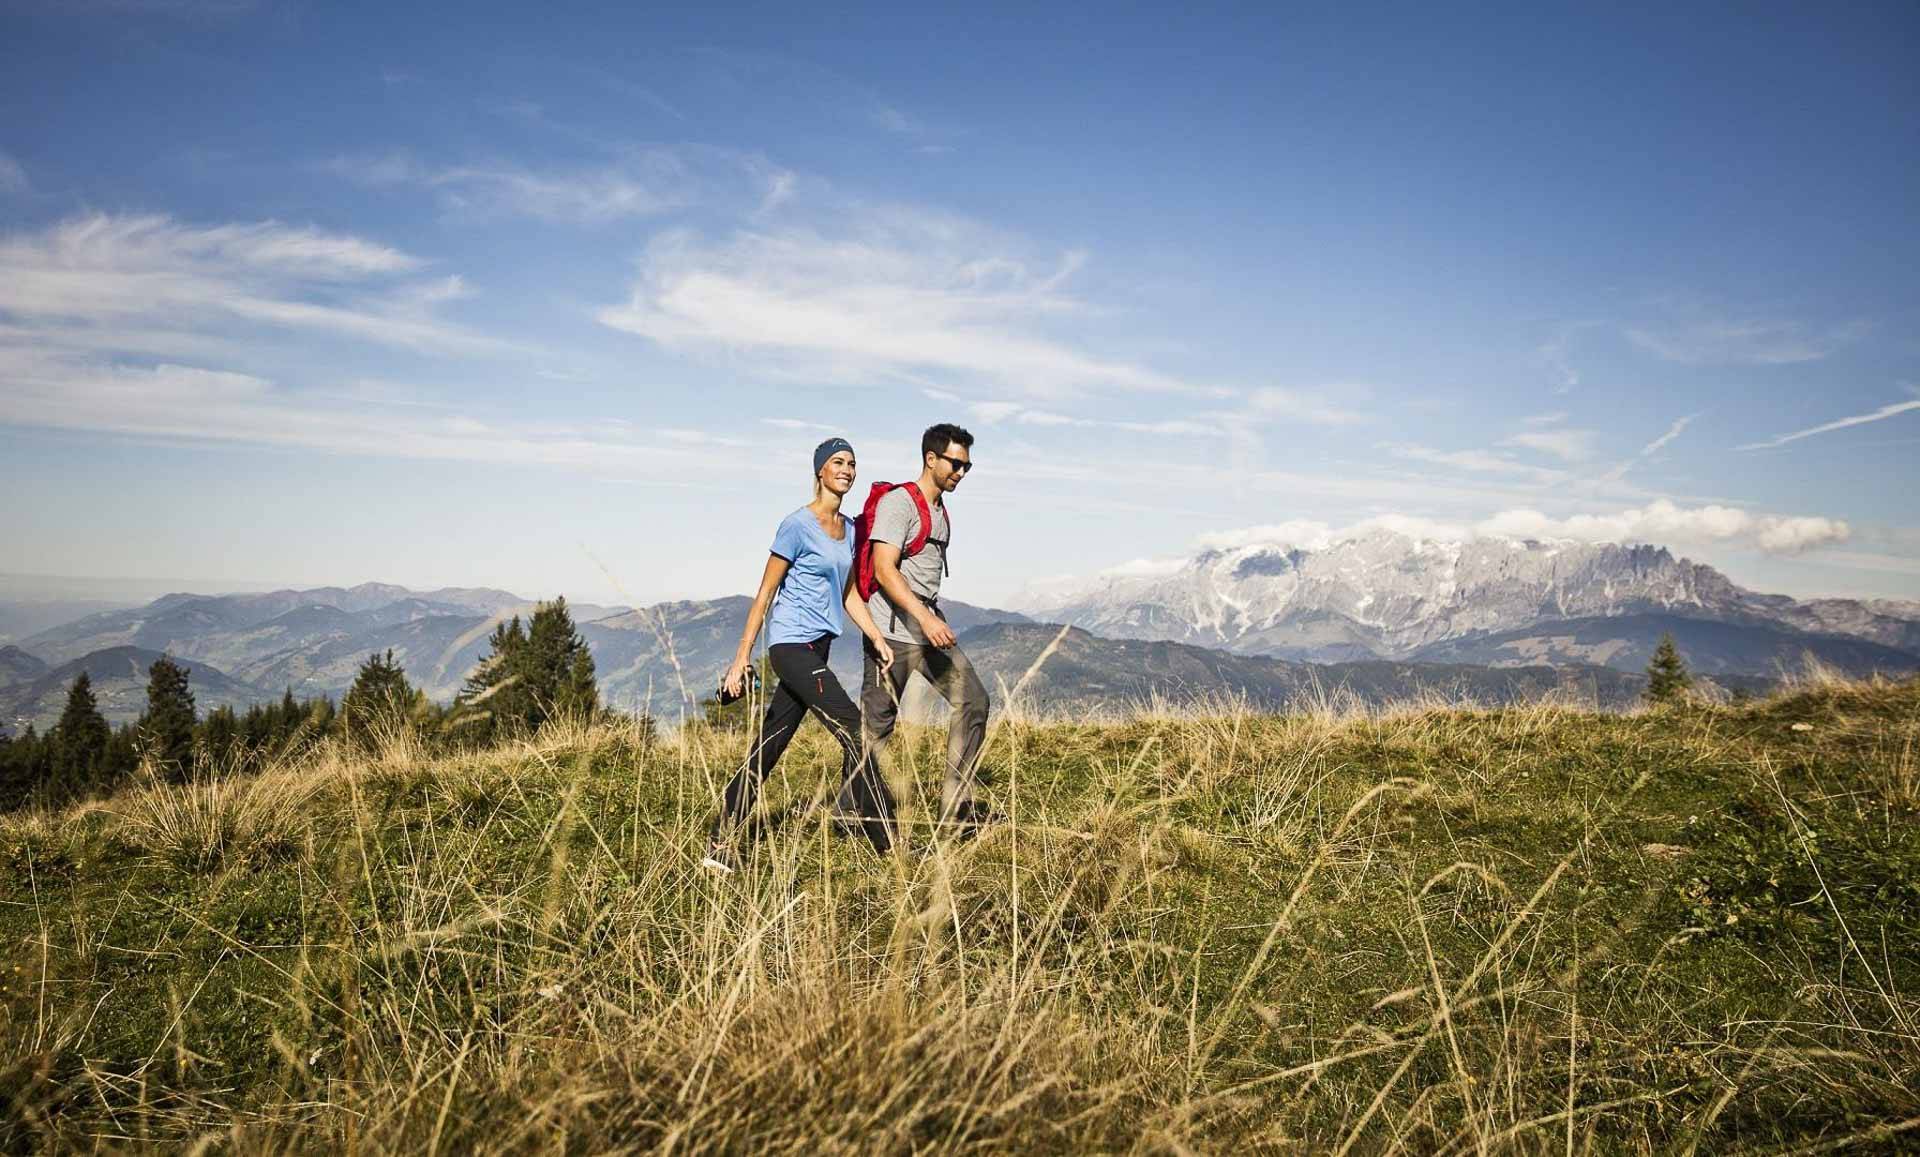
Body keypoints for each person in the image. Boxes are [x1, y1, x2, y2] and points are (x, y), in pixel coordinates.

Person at [702, 437, 898, 873]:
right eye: (837, 462)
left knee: (771, 743)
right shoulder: (796, 525)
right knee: (853, 727)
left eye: (851, 463)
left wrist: (877, 637)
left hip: (820, 645)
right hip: (790, 645)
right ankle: (885, 838)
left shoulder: (848, 530)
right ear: (820, 472)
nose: (846, 469)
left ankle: (720, 843)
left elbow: (847, 592)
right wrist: (741, 658)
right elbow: (765, 594)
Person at [845, 422, 995, 836]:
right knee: (876, 727)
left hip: (928, 631)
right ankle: (849, 813)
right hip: (890, 634)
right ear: (931, 458)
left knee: (974, 701)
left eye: (967, 466)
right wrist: (925, 619)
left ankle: (955, 808)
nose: (961, 473)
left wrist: (932, 618)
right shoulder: (899, 505)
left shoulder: (941, 511)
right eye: (955, 463)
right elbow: (883, 569)